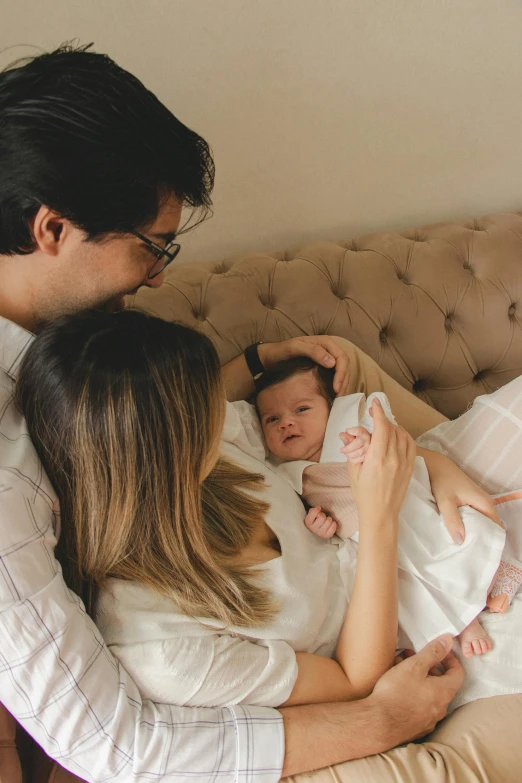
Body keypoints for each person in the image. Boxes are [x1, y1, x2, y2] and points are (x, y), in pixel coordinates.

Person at [0, 42, 497, 782]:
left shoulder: (81, 351)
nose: (161, 275)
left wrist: (268, 364)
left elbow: (174, 411)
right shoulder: (12, 483)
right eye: (153, 247)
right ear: (51, 230)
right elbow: (114, 743)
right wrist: (382, 716)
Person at [255, 357, 522, 658]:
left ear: (331, 408)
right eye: (272, 419)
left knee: (446, 545)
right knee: (406, 592)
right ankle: (455, 625)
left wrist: (368, 442)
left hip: (404, 509)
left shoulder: (350, 427)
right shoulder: (285, 474)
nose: (286, 422)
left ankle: (492, 583)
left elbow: (390, 438)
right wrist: (318, 525)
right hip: (363, 537)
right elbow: (310, 517)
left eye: (301, 409)